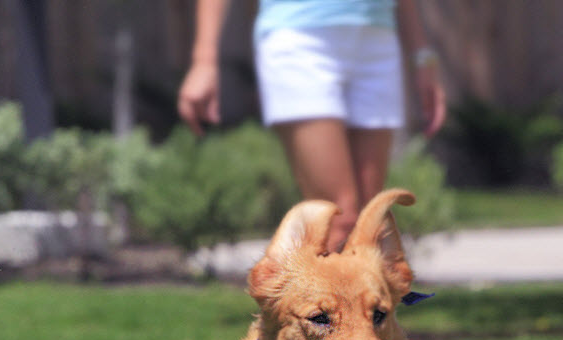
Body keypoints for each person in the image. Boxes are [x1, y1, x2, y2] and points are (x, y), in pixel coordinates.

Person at [178, 0, 447, 251]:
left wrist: (422, 55)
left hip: (377, 38)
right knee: (337, 220)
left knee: (369, 230)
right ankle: (316, 299)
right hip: (299, 37)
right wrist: (204, 61)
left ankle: (343, 300)